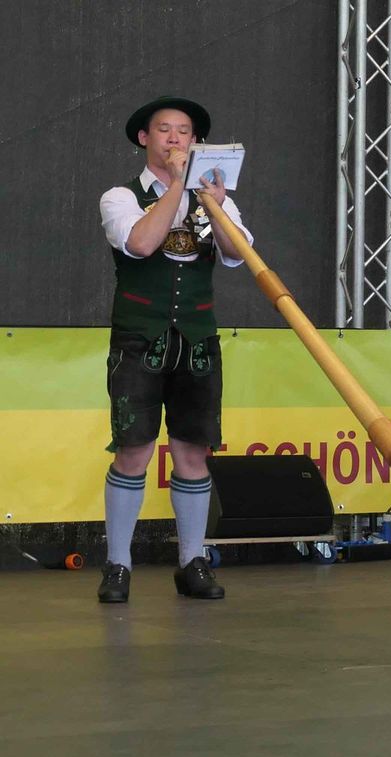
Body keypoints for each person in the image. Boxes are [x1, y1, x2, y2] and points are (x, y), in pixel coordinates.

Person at [95, 96, 253, 603]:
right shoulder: (121, 196)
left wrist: (214, 204)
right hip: (139, 338)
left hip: (198, 338)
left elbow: (239, 254)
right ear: (145, 138)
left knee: (192, 450)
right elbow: (141, 244)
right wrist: (178, 187)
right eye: (164, 130)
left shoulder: (214, 197)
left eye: (184, 132)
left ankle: (192, 561)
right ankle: (118, 565)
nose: (174, 139)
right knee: (134, 450)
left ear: (196, 142)